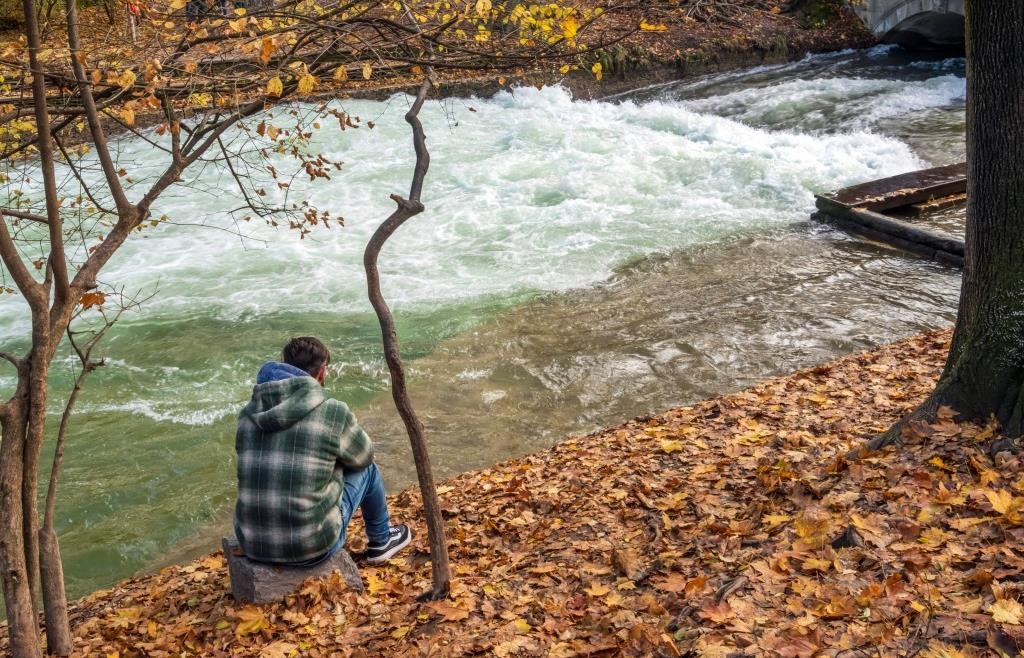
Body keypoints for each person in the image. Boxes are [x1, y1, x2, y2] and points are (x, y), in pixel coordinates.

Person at [233, 336, 411, 566]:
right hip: (312, 548)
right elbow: (365, 456)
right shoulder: (331, 411)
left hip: (253, 544)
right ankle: (382, 540)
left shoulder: (247, 415)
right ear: (321, 370)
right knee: (368, 470)